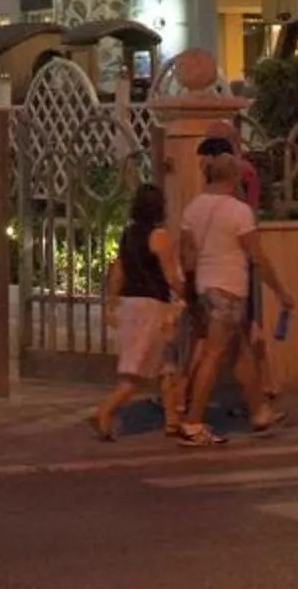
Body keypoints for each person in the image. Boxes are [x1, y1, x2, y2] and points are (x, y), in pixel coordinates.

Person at [177, 137, 291, 446]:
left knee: (240, 352)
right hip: (228, 289)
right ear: (234, 178)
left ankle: (259, 411)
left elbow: (186, 253)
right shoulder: (239, 212)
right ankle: (192, 422)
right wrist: (280, 292)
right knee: (214, 355)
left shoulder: (193, 208)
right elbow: (257, 257)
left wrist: (190, 290)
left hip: (205, 287)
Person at [90, 181, 184, 441]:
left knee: (165, 363)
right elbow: (170, 276)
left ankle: (172, 420)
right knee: (138, 373)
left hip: (130, 304)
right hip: (151, 306)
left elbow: (118, 271)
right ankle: (104, 411)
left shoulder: (128, 235)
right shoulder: (159, 236)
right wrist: (187, 294)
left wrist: (111, 302)